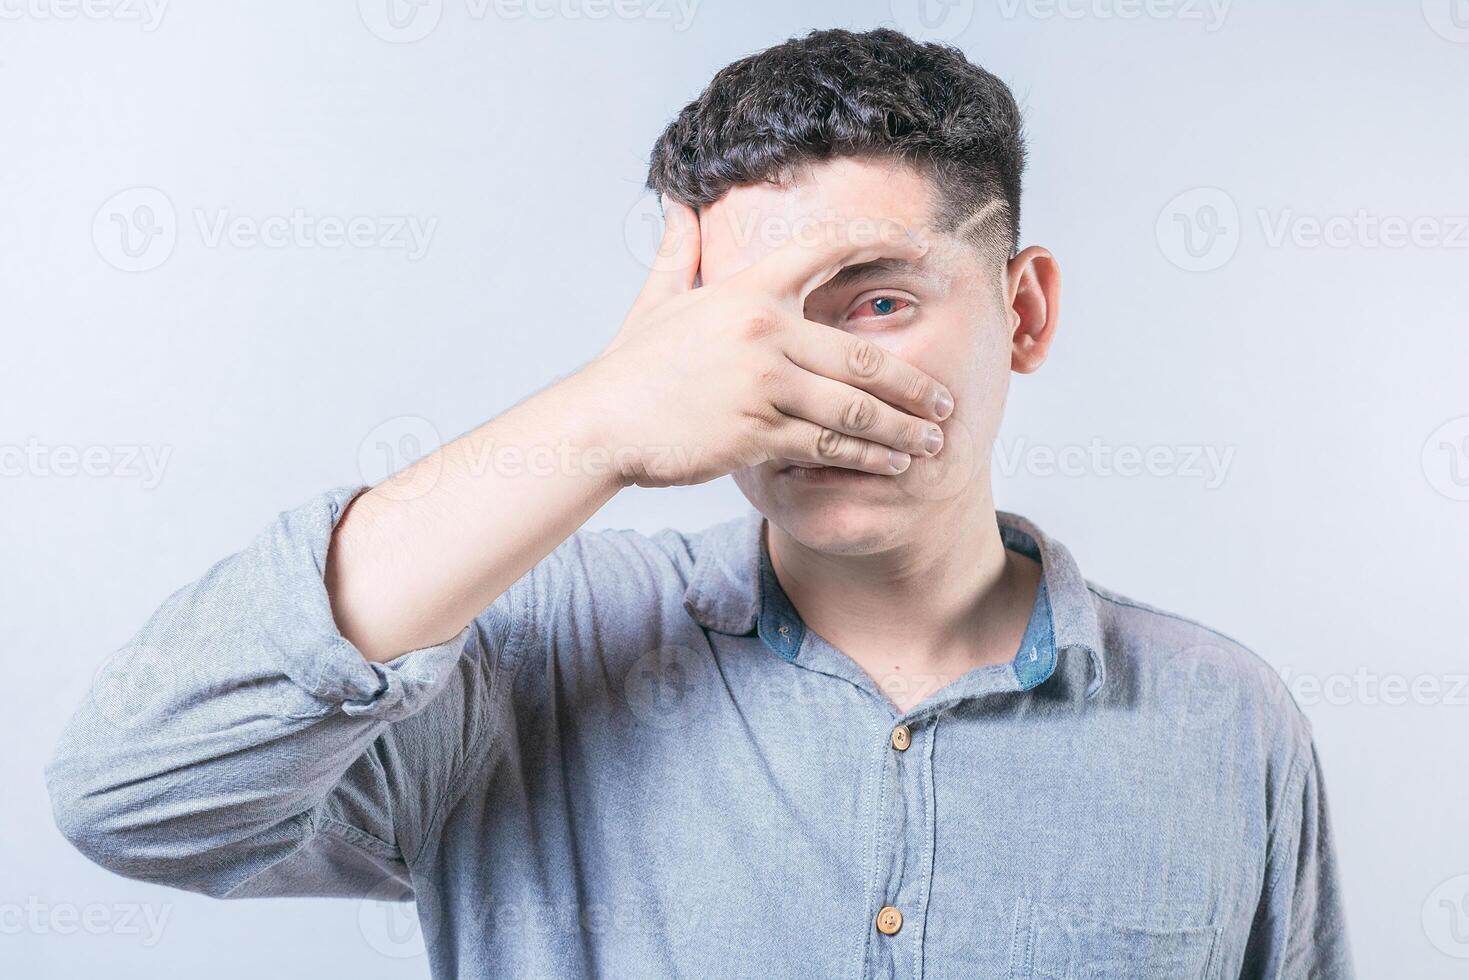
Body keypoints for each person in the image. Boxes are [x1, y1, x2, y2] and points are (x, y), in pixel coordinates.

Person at [47, 27, 1352, 979]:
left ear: (1020, 313)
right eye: (737, 327)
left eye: (879, 303)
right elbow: (134, 795)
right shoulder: (518, 662)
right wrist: (602, 418)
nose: (804, 381)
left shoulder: (1219, 718)